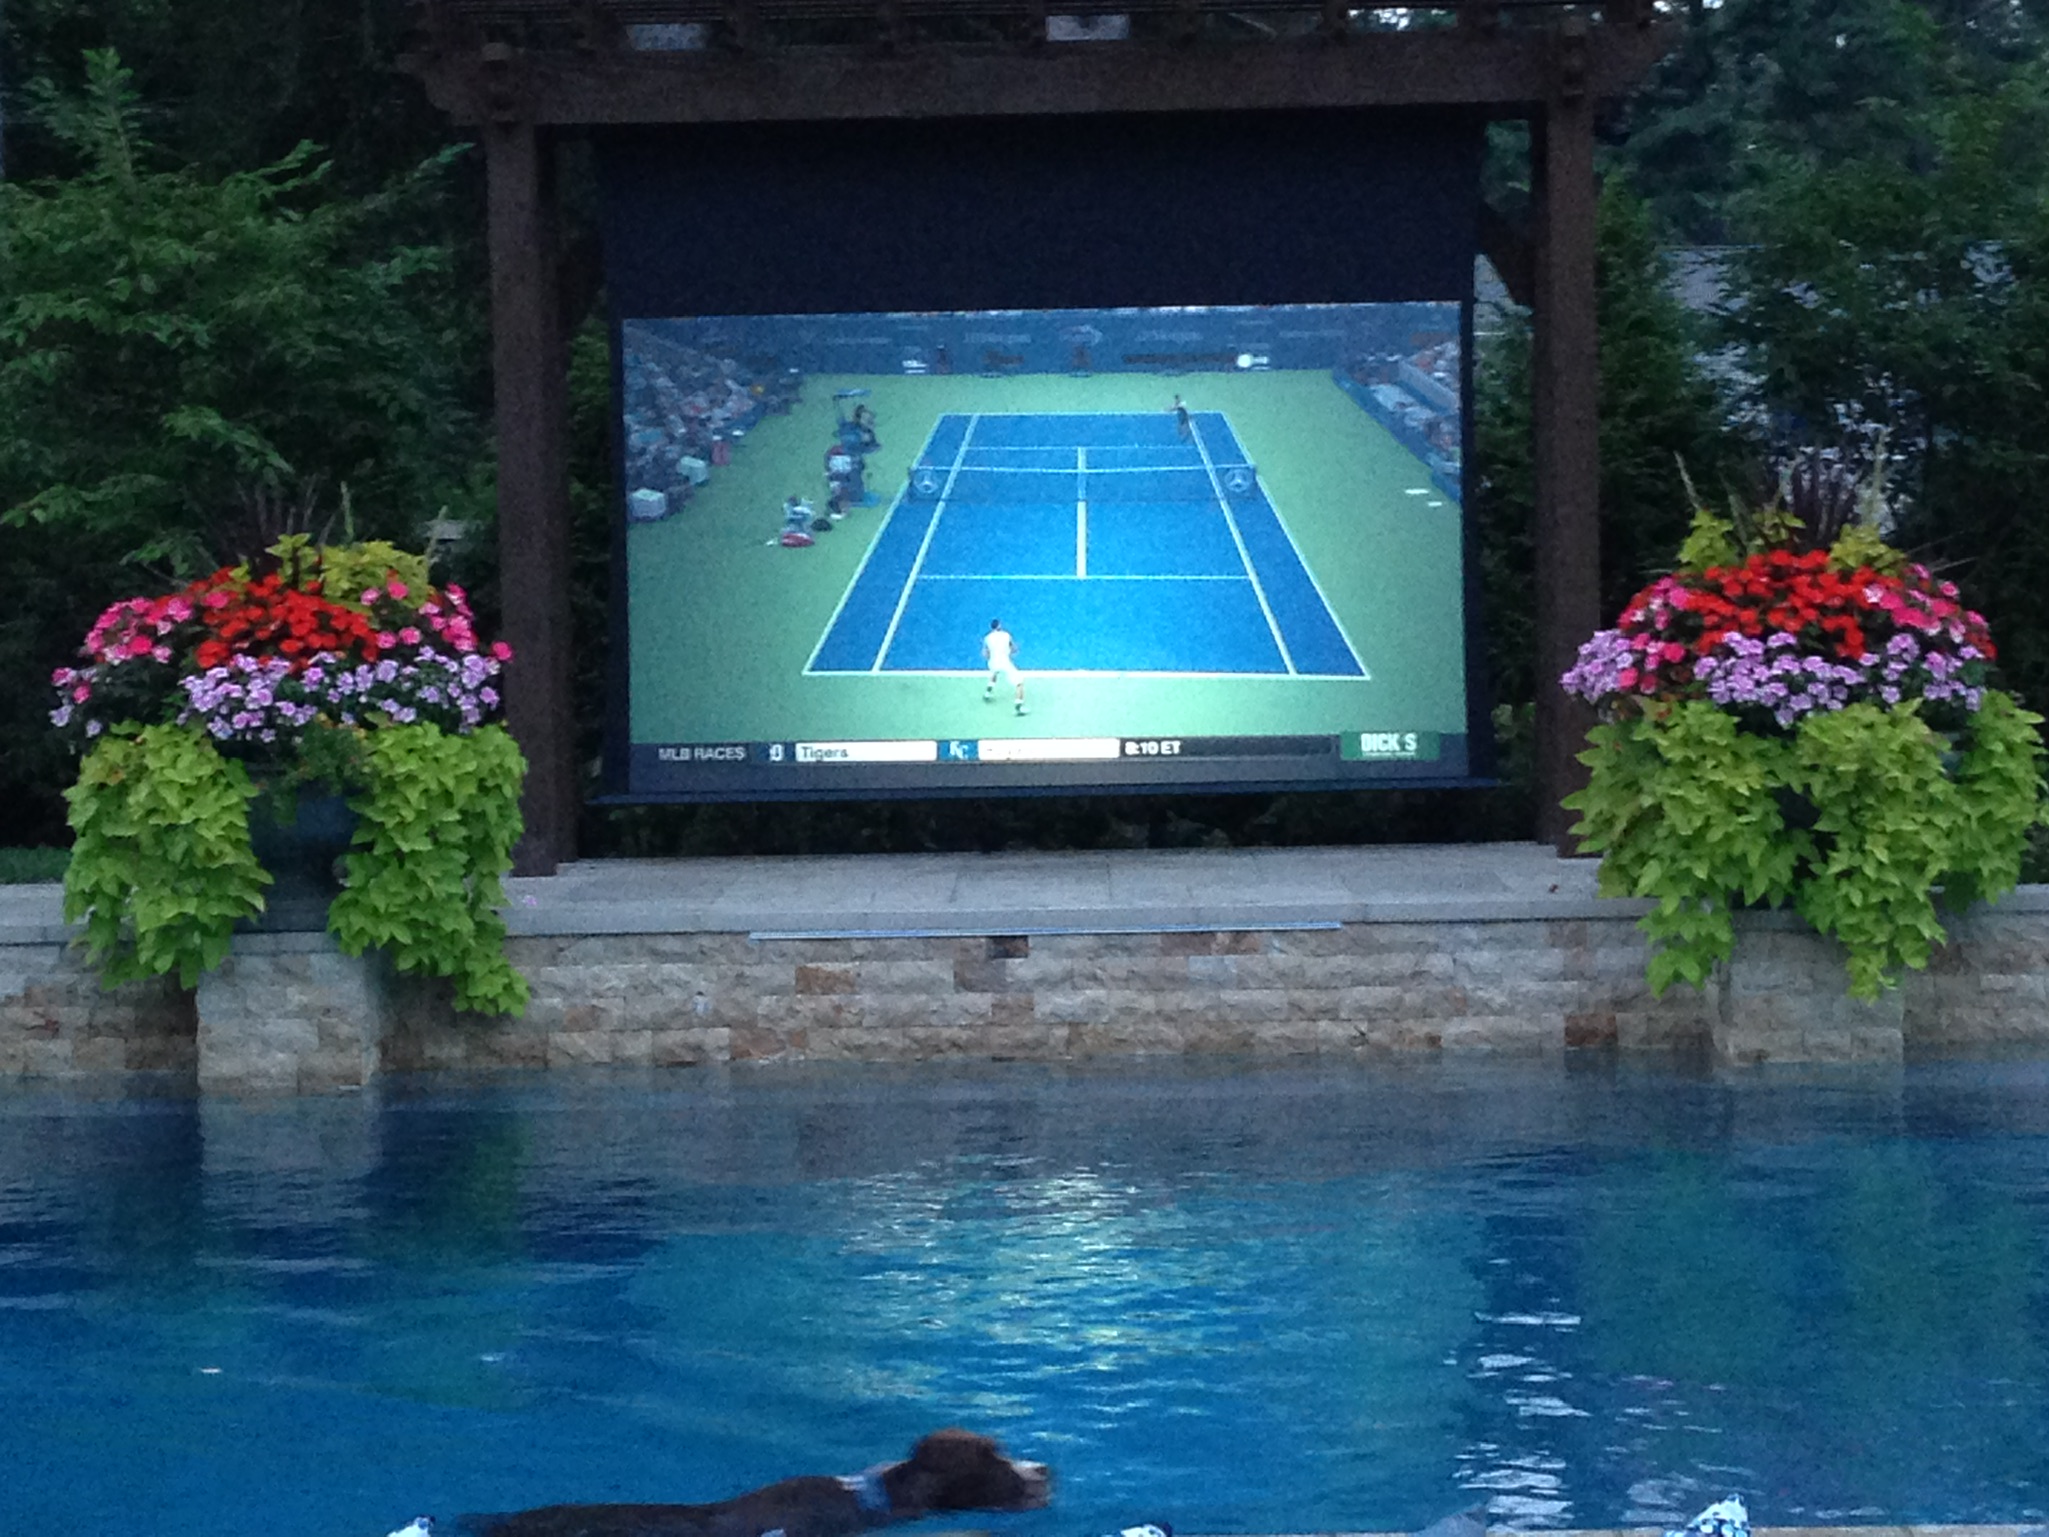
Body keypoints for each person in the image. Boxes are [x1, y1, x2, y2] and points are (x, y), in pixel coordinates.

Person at [983, 619, 1025, 716]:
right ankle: (1019, 706)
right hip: (1005, 663)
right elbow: (1014, 649)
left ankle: (988, 693)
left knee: (994, 672)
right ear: (999, 626)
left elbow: (985, 654)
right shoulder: (1006, 635)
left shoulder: (987, 638)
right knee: (1020, 683)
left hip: (993, 662)